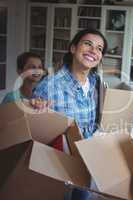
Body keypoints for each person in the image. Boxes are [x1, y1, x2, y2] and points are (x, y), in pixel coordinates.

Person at [32, 29, 107, 200]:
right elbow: (35, 128)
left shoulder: (98, 83)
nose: (93, 51)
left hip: (88, 160)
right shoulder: (50, 84)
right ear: (73, 48)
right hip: (59, 163)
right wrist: (37, 107)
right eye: (88, 44)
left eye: (99, 48)